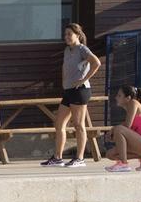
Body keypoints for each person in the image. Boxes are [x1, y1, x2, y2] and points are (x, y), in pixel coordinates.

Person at [44, 22, 103, 168]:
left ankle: (80, 158)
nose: (67, 37)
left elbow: (96, 63)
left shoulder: (82, 49)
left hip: (80, 90)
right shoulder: (67, 50)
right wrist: (64, 83)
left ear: (77, 35)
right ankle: (58, 157)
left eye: (69, 34)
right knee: (59, 124)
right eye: (65, 35)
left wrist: (84, 79)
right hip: (69, 91)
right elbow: (65, 66)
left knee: (78, 124)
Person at [104, 83, 141, 172]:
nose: (116, 97)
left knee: (119, 129)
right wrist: (112, 135)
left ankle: (124, 164)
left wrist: (113, 131)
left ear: (128, 98)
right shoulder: (129, 110)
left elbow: (126, 126)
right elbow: (126, 134)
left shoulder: (133, 103)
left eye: (119, 95)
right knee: (110, 154)